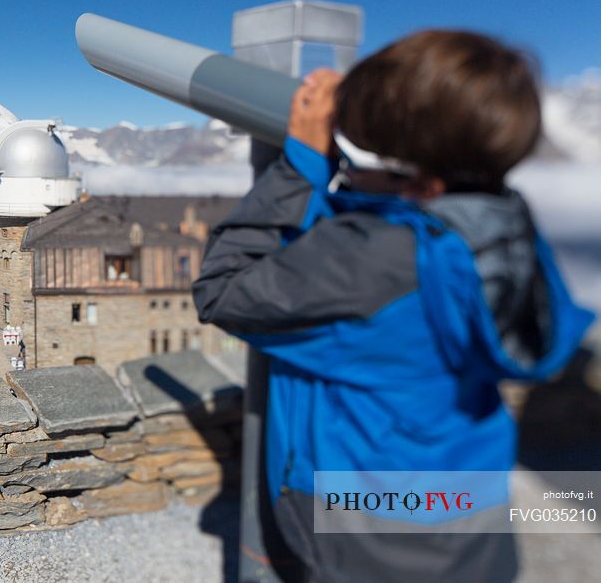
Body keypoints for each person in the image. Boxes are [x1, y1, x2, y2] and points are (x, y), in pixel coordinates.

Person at [192, 30, 595, 583]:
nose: (349, 161)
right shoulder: (505, 228)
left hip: (368, 530)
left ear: (422, 179)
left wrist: (301, 163)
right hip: (466, 507)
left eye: (362, 149)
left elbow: (223, 288)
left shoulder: (378, 261)